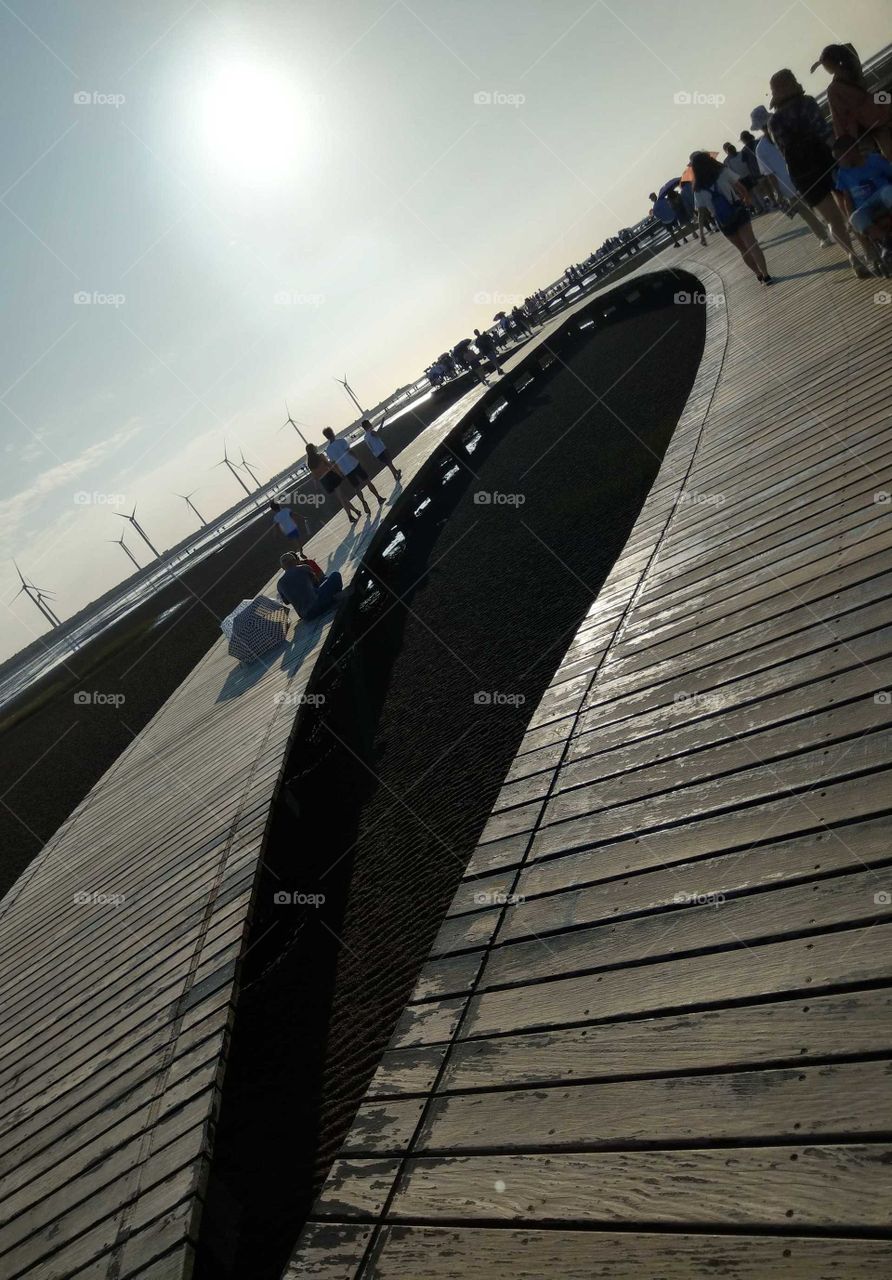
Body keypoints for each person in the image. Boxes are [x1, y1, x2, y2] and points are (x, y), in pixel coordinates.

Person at [768, 68, 873, 278]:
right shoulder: (806, 103)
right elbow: (824, 132)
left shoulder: (773, 122)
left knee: (832, 220)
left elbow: (783, 151)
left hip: (802, 174)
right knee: (849, 208)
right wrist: (844, 157)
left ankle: (853, 258)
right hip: (827, 162)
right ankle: (870, 252)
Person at [749, 105, 834, 246]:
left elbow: (770, 175)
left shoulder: (760, 149)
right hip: (805, 175)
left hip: (787, 186)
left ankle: (823, 237)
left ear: (758, 128)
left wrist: (778, 194)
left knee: (807, 214)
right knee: (822, 203)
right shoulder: (784, 133)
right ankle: (836, 227)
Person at [689, 151, 773, 284]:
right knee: (752, 244)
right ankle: (766, 274)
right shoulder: (722, 172)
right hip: (737, 210)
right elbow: (740, 187)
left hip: (723, 220)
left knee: (743, 250)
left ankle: (758, 274)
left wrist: (702, 234)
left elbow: (701, 213)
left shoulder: (697, 189)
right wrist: (747, 199)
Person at [811, 43, 892, 161]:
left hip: (868, 120)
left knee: (888, 154)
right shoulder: (854, 70)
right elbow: (849, 47)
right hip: (880, 109)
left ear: (830, 64)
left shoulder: (834, 89)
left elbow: (838, 117)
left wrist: (844, 142)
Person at [832, 135, 892, 264]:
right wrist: (849, 217)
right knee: (855, 218)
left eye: (839, 157)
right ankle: (886, 241)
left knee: (888, 191)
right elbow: (847, 198)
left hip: (881, 194)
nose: (838, 162)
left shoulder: (875, 160)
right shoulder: (843, 173)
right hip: (864, 205)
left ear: (852, 151)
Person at [322, 426, 384, 513]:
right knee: (367, 481)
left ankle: (363, 502)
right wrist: (358, 459)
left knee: (357, 487)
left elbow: (334, 464)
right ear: (332, 432)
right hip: (354, 464)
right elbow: (349, 451)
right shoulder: (341, 441)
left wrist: (340, 473)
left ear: (326, 437)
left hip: (346, 470)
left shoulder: (328, 450)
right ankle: (378, 497)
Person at [276, 551, 344, 621]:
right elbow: (316, 583)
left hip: (306, 616)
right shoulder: (304, 568)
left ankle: (331, 599)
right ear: (295, 561)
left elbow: (286, 602)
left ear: (283, 567)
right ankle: (336, 596)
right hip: (318, 605)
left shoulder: (279, 584)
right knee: (335, 575)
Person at [306, 441, 361, 524]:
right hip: (330, 476)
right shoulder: (320, 456)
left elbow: (314, 475)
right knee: (341, 497)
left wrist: (316, 485)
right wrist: (338, 473)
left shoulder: (309, 463)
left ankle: (356, 511)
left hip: (324, 481)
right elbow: (329, 465)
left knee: (342, 497)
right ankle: (350, 516)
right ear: (313, 449)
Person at [361, 417, 402, 482]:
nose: (371, 424)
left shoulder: (365, 437)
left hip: (377, 454)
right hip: (382, 450)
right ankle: (396, 474)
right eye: (369, 423)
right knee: (389, 463)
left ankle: (396, 473)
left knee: (389, 464)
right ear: (367, 425)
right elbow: (378, 434)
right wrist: (382, 423)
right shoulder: (371, 432)